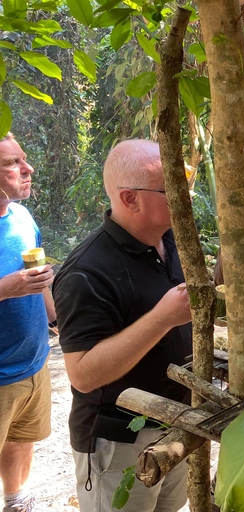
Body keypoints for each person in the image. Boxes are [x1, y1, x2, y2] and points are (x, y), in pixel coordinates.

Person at [52, 140, 192, 512]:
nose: (186, 194)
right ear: (130, 199)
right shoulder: (86, 271)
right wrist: (162, 318)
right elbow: (82, 375)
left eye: (186, 181)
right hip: (119, 439)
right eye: (172, 187)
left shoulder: (171, 238)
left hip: (176, 422)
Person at [0, 133, 55, 512]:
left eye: (24, 159)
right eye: (12, 163)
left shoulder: (21, 215)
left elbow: (38, 281)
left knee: (22, 437)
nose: (28, 168)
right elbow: (16, 284)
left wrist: (56, 322)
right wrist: (6, 287)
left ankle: (15, 500)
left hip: (34, 362)